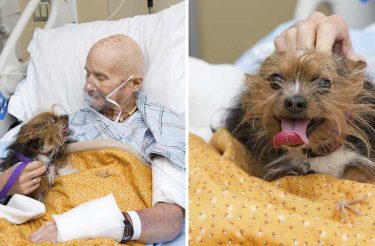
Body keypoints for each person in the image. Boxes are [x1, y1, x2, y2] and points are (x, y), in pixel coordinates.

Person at [1, 34, 185, 244]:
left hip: (104, 234)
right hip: (41, 226)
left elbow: (171, 219)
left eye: (100, 77)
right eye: (87, 74)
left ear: (134, 83)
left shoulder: (161, 130)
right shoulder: (62, 125)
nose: (88, 86)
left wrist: (83, 226)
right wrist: (5, 184)